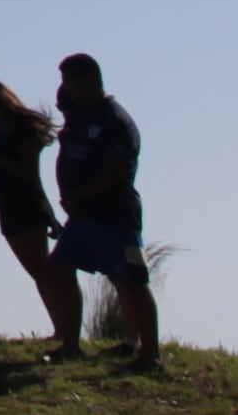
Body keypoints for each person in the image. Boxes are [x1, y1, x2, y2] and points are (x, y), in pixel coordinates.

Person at [53, 51, 159, 372]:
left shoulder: (115, 119)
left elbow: (113, 169)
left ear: (91, 79)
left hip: (118, 215)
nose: (66, 88)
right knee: (58, 268)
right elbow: (65, 155)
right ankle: (70, 345)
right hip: (82, 216)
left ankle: (149, 356)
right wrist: (66, 196)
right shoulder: (79, 117)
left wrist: (80, 195)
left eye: (70, 81)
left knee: (132, 280)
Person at [0, 78, 86, 355]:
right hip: (5, 203)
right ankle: (59, 327)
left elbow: (27, 173)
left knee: (44, 268)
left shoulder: (25, 130)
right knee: (35, 271)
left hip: (27, 203)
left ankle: (65, 329)